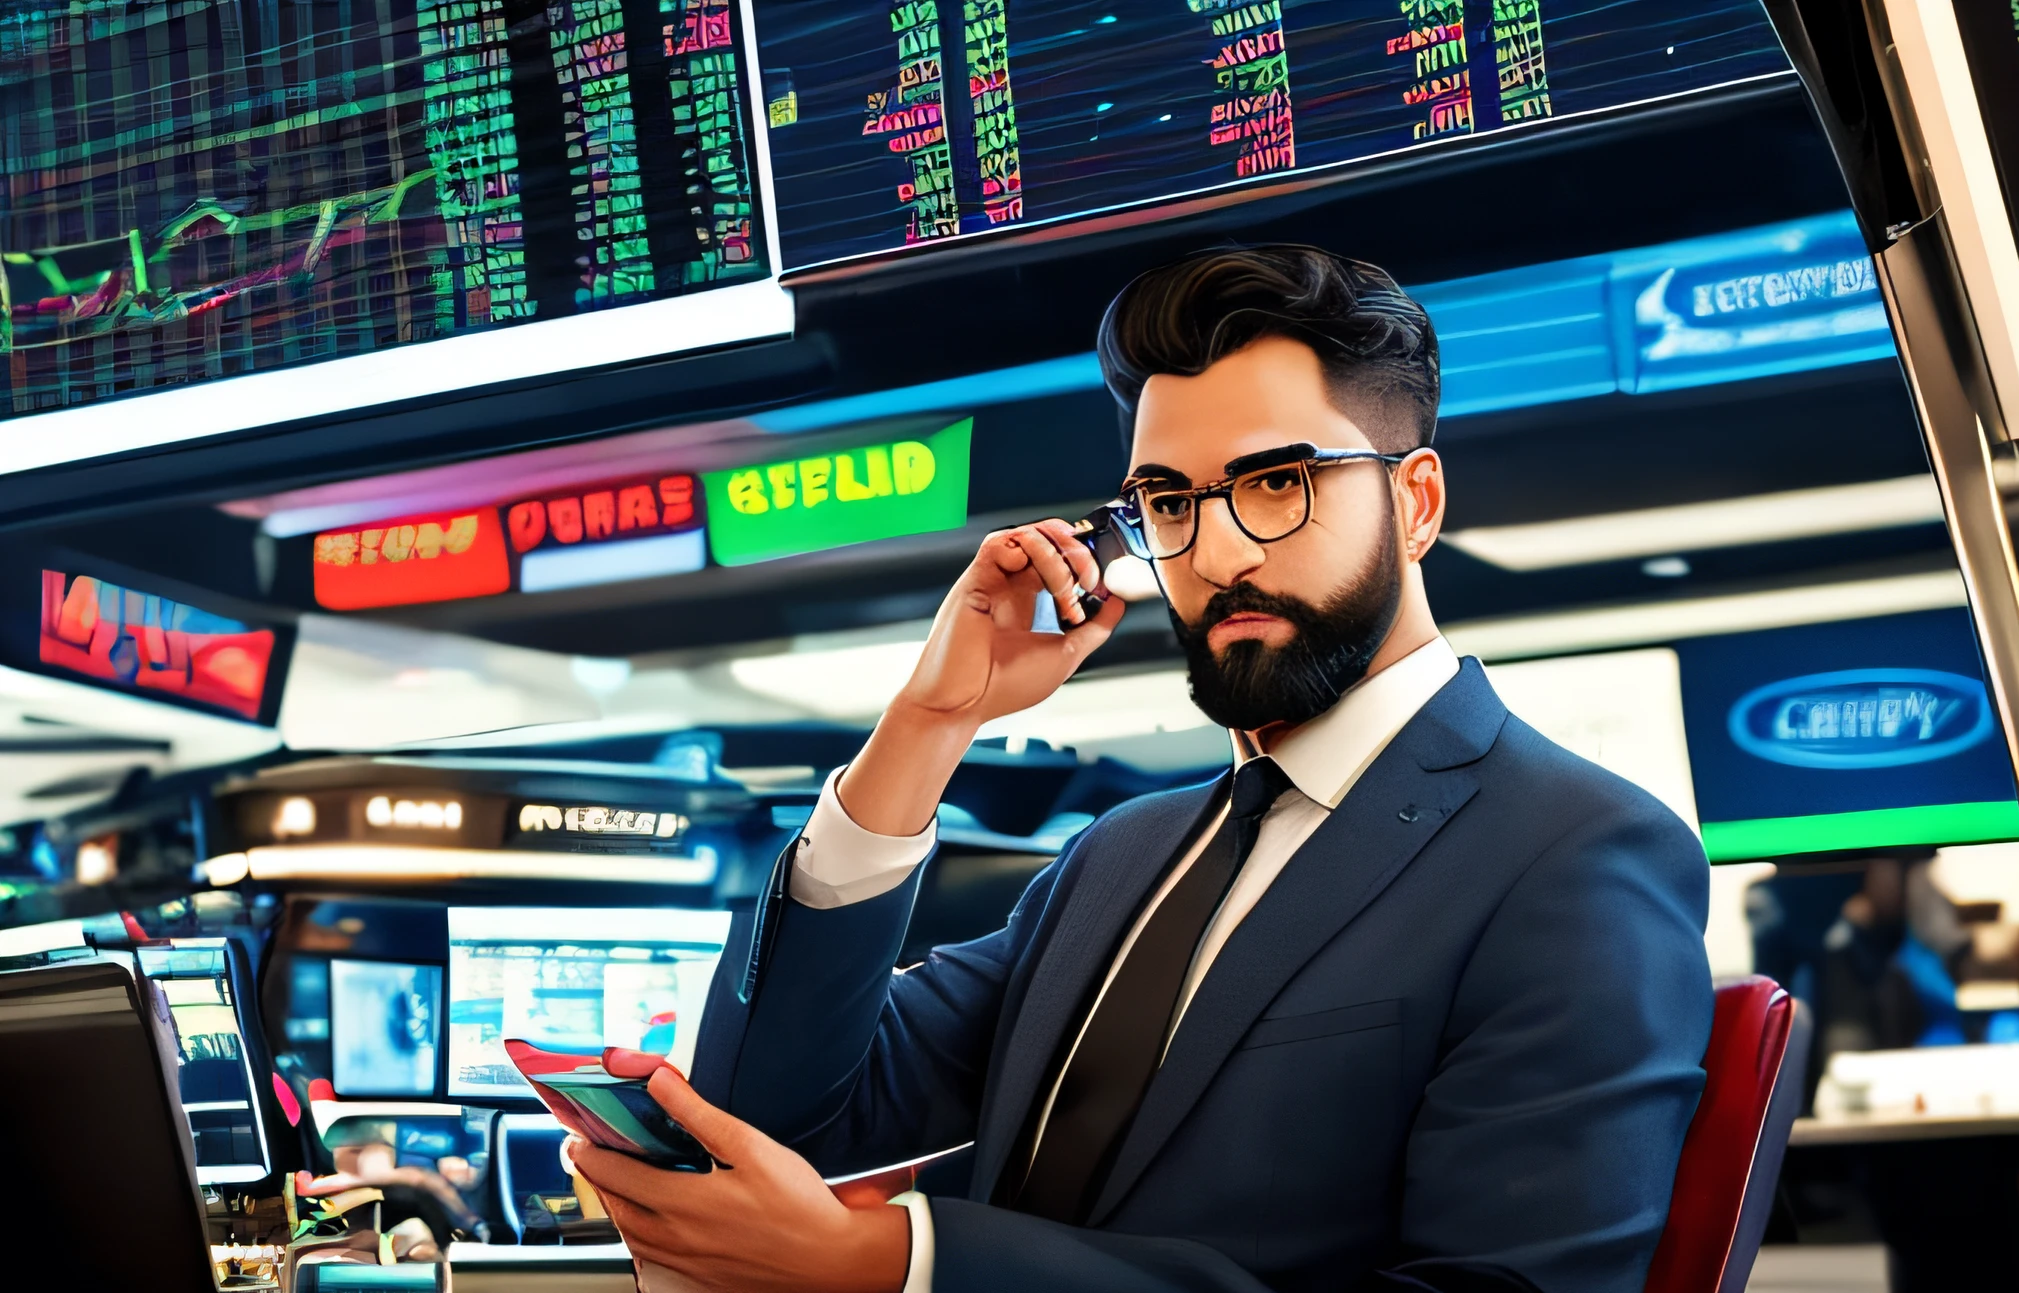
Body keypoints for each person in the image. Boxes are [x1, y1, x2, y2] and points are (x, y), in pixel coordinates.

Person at [567, 245, 1715, 1292]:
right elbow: (776, 1115)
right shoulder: (1121, 855)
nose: (1215, 551)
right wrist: (927, 725)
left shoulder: (1571, 852)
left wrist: (904, 1263)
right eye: (1167, 501)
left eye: (1277, 483)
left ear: (1412, 503)